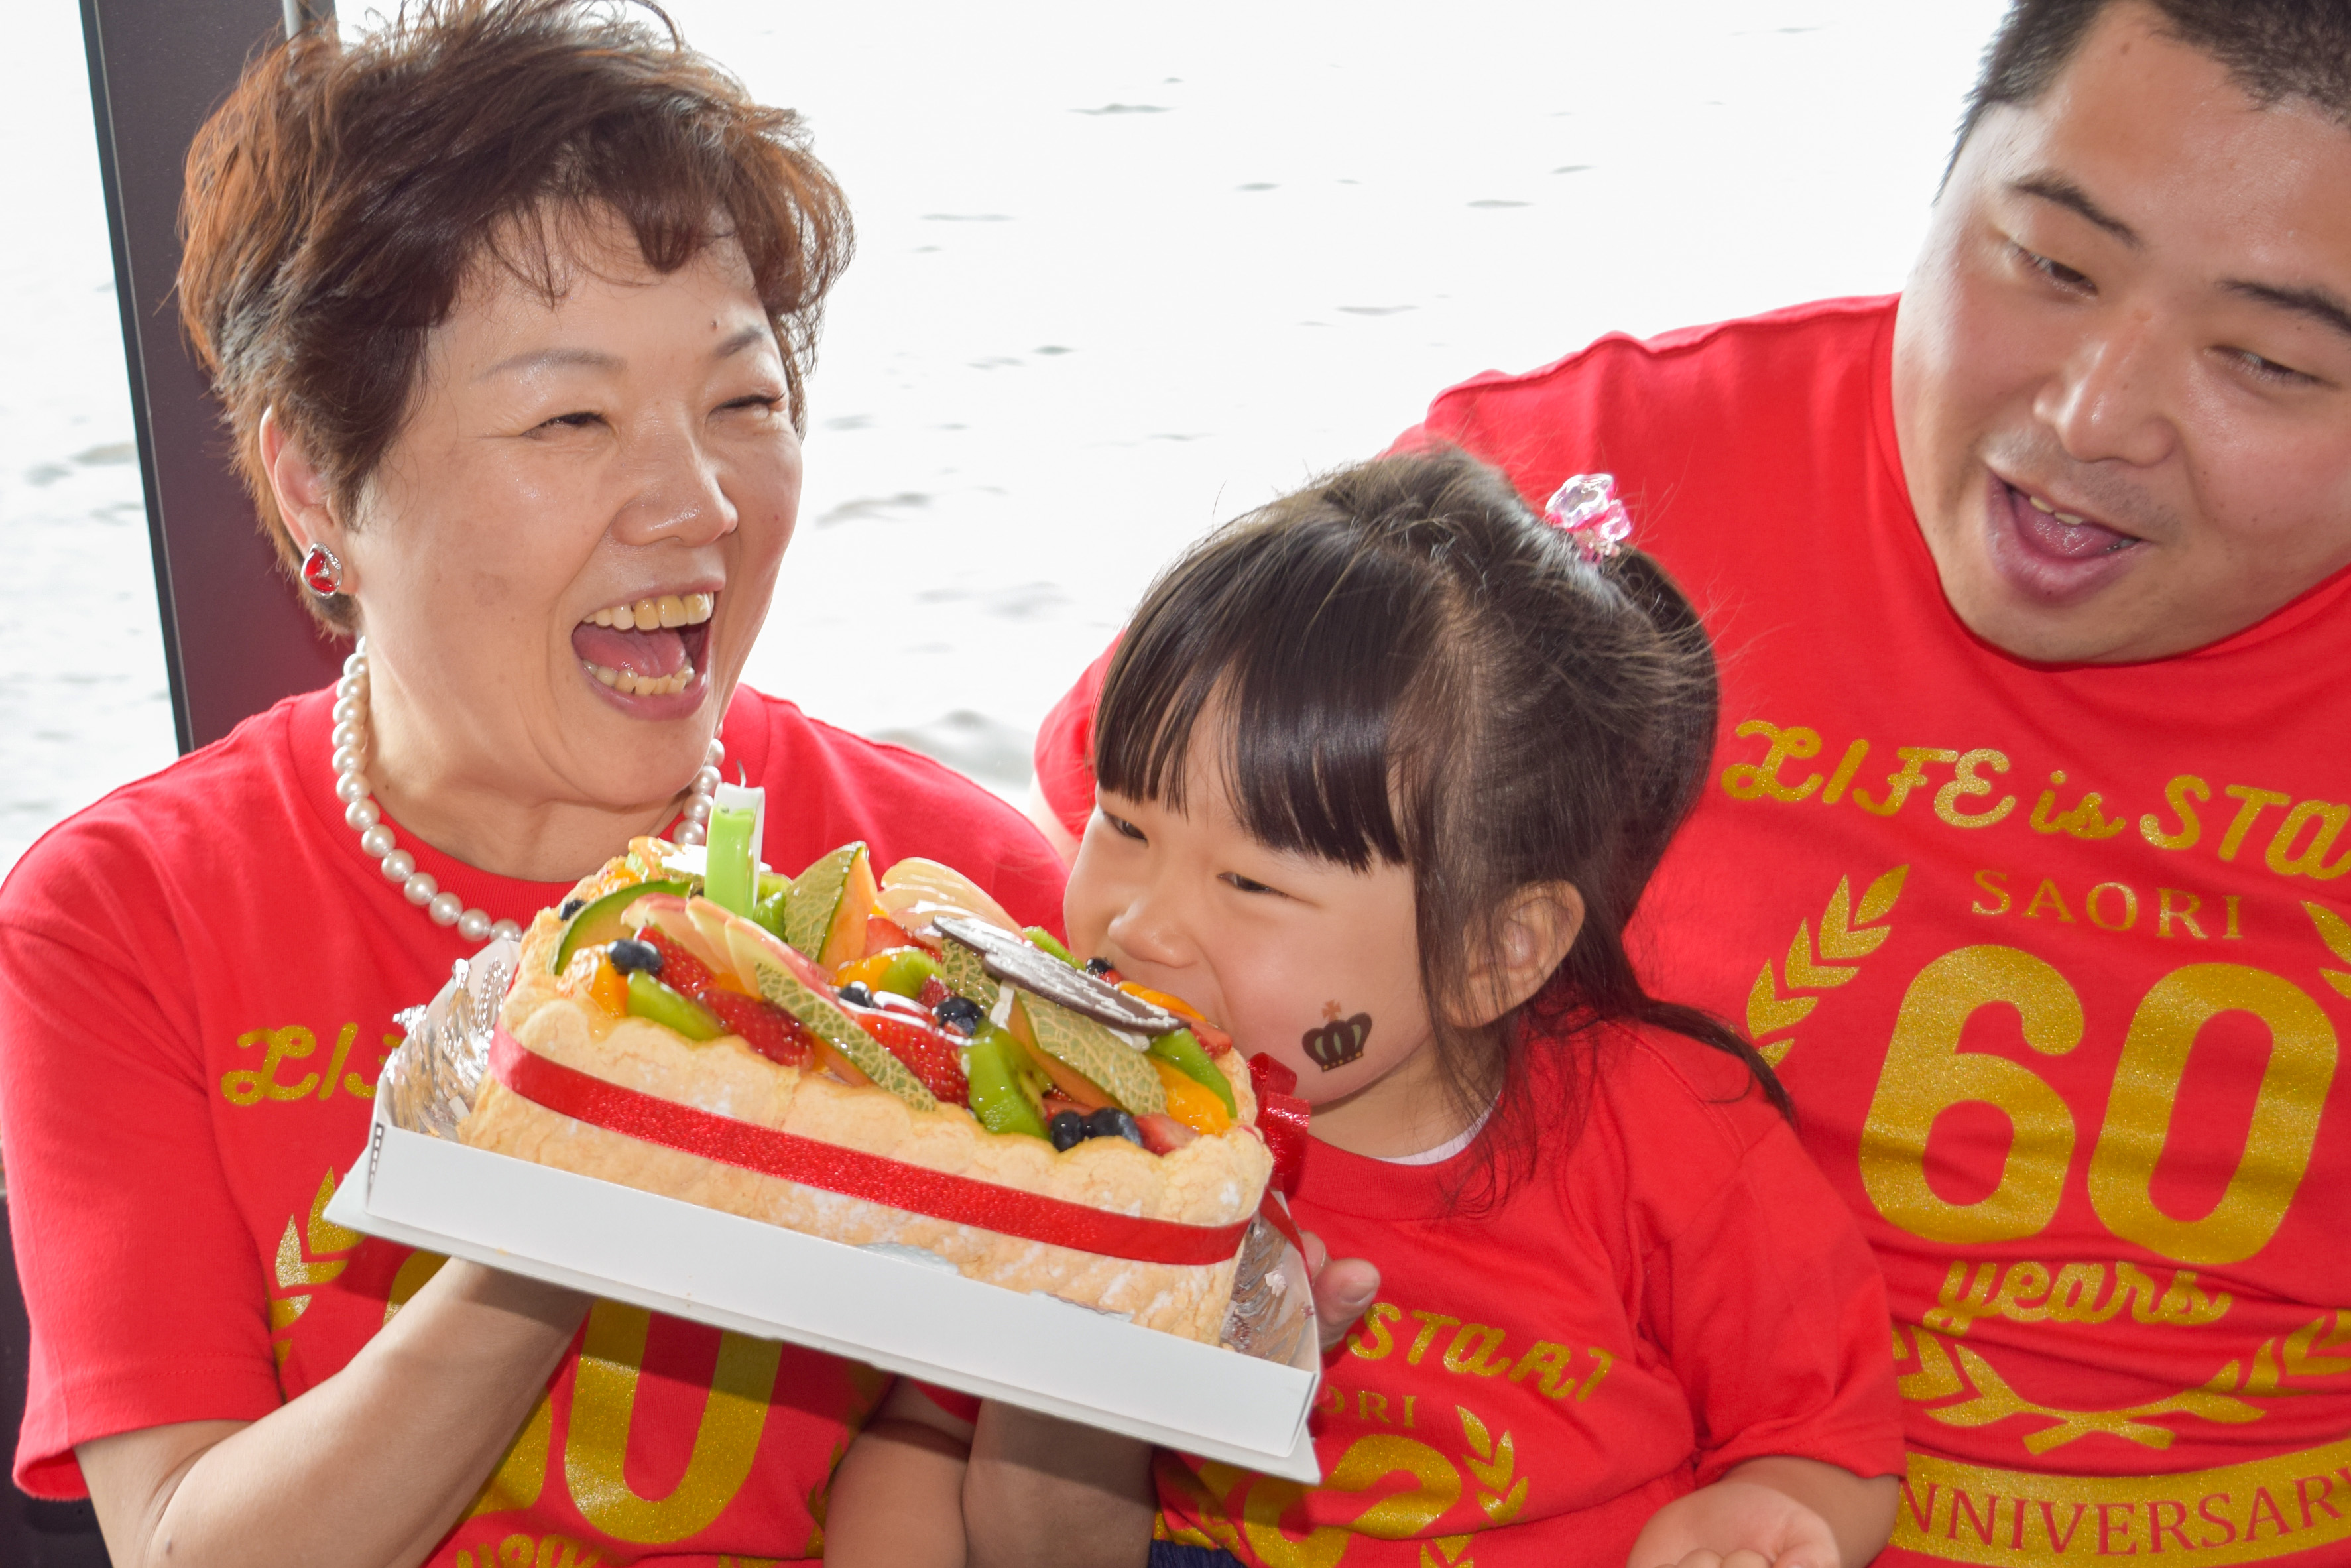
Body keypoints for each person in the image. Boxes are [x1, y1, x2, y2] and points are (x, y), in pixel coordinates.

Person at [1028, 2, 2351, 1563]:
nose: (2092, 416)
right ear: (1935, 202)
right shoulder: (1555, 500)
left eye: (2265, 359)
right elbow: (1131, 872)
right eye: (2053, 265)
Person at [0, 4, 1081, 1564]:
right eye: (572, 418)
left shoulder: (962, 900)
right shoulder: (127, 920)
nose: (698, 502)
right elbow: (186, 1540)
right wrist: (583, 1182)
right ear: (317, 476)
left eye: (745, 400)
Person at [904, 448, 1905, 1568]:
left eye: (1249, 883)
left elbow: (1827, 1439)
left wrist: (1755, 1519)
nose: (1138, 925)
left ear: (1491, 951)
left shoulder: (1671, 1131)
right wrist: (1096, 1370)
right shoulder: (1058, 1114)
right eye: (1124, 824)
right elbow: (984, 1502)